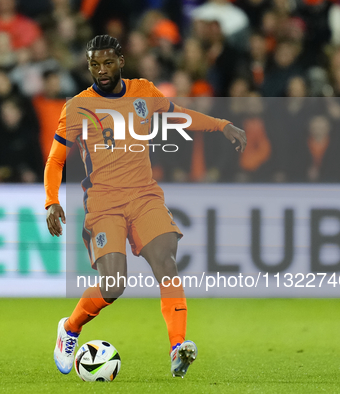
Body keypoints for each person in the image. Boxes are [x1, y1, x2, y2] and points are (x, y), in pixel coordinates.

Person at [45, 35, 246, 378]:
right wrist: (51, 201)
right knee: (113, 284)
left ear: (121, 61)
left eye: (108, 62)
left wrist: (221, 125)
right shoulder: (77, 107)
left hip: (144, 196)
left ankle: (177, 347)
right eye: (94, 64)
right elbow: (55, 160)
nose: (101, 70)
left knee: (166, 262)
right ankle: (71, 327)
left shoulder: (144, 92)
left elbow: (179, 115)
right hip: (104, 204)